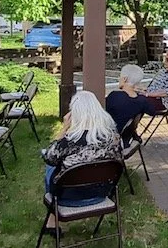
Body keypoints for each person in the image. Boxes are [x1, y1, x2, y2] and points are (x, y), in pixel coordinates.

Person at [43, 91, 122, 233]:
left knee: (51, 164)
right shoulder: (114, 138)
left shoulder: (68, 142)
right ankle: (51, 221)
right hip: (101, 194)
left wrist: (64, 128)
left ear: (74, 113)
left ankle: (52, 222)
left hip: (66, 197)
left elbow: (49, 157)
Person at [106, 64, 157, 145]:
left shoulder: (114, 96)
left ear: (125, 79)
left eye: (120, 77)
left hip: (109, 137)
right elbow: (152, 112)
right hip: (126, 139)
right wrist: (141, 93)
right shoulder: (142, 100)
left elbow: (103, 112)